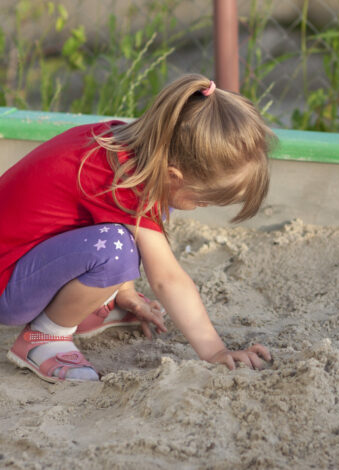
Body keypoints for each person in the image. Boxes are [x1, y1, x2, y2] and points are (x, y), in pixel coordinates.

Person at [0, 74, 275, 383]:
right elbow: (168, 280)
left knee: (120, 243)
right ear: (174, 175)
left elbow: (91, 217)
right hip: (6, 282)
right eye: (200, 200)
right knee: (115, 250)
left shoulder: (126, 151)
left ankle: (85, 307)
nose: (199, 207)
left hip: (20, 261)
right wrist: (215, 352)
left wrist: (124, 292)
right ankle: (43, 339)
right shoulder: (124, 185)